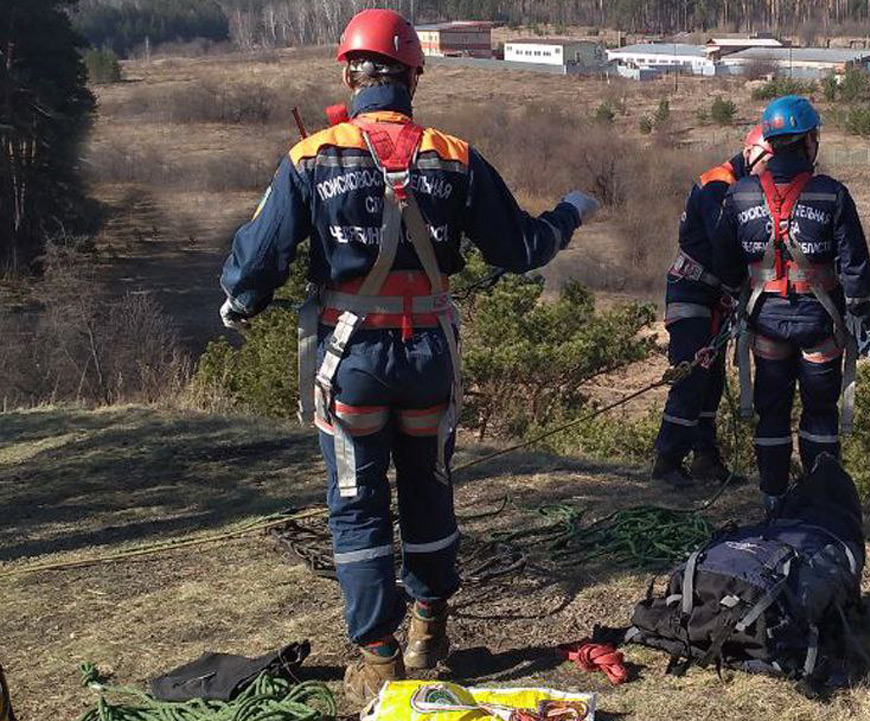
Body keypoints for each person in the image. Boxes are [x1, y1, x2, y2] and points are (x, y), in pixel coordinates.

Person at [217, 9, 599, 702]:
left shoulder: (313, 157)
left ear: (348, 74)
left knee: (358, 502)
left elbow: (256, 263)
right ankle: (429, 625)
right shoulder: (455, 157)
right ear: (412, 77)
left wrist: (238, 301)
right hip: (429, 358)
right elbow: (520, 250)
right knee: (428, 485)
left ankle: (379, 654)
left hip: (352, 360)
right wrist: (570, 211)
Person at [711, 95, 870, 509]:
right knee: (820, 414)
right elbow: (855, 267)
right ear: (808, 141)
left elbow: (723, 260)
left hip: (765, 322)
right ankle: (820, 502)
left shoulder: (741, 195)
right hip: (820, 325)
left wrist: (744, 296)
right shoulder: (831, 195)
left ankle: (772, 498)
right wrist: (865, 317)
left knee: (772, 412)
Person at [651, 126, 772, 488]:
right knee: (691, 375)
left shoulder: (747, 186)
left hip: (716, 295)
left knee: (712, 381)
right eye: (770, 162)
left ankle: (706, 458)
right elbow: (726, 245)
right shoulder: (718, 185)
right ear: (753, 154)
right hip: (692, 290)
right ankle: (668, 461)